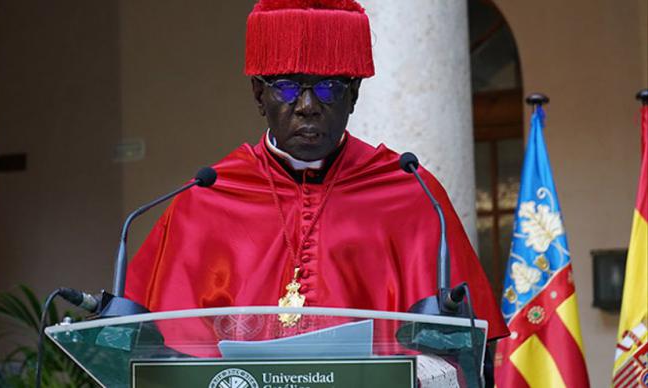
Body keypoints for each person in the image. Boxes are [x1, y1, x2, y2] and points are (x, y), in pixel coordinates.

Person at [126, 0, 507, 353]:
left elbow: (466, 349)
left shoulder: (410, 194)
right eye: (288, 87)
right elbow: (162, 354)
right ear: (259, 94)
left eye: (328, 88)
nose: (308, 107)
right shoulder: (206, 201)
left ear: (354, 95)